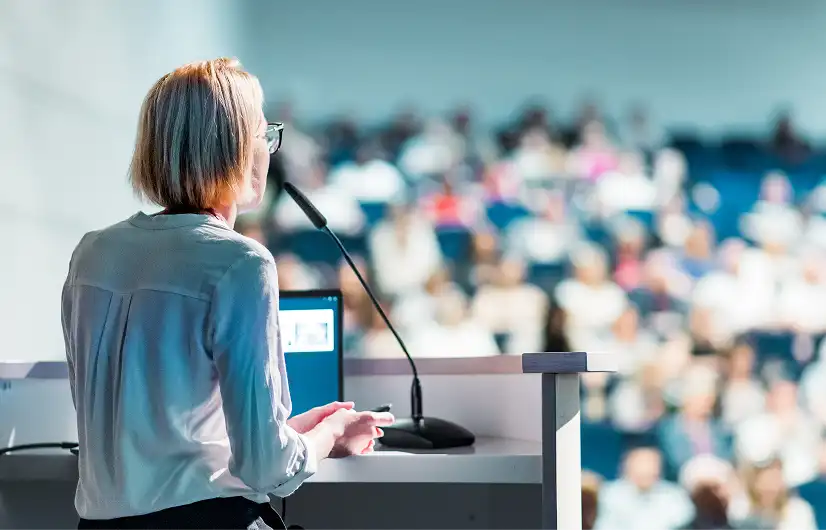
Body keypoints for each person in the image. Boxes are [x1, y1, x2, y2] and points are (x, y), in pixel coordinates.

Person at [61, 58, 394, 530]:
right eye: (264, 134)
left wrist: (299, 432)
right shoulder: (240, 263)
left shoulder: (91, 255)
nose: (269, 150)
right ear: (234, 147)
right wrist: (331, 434)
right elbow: (269, 471)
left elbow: (161, 445)